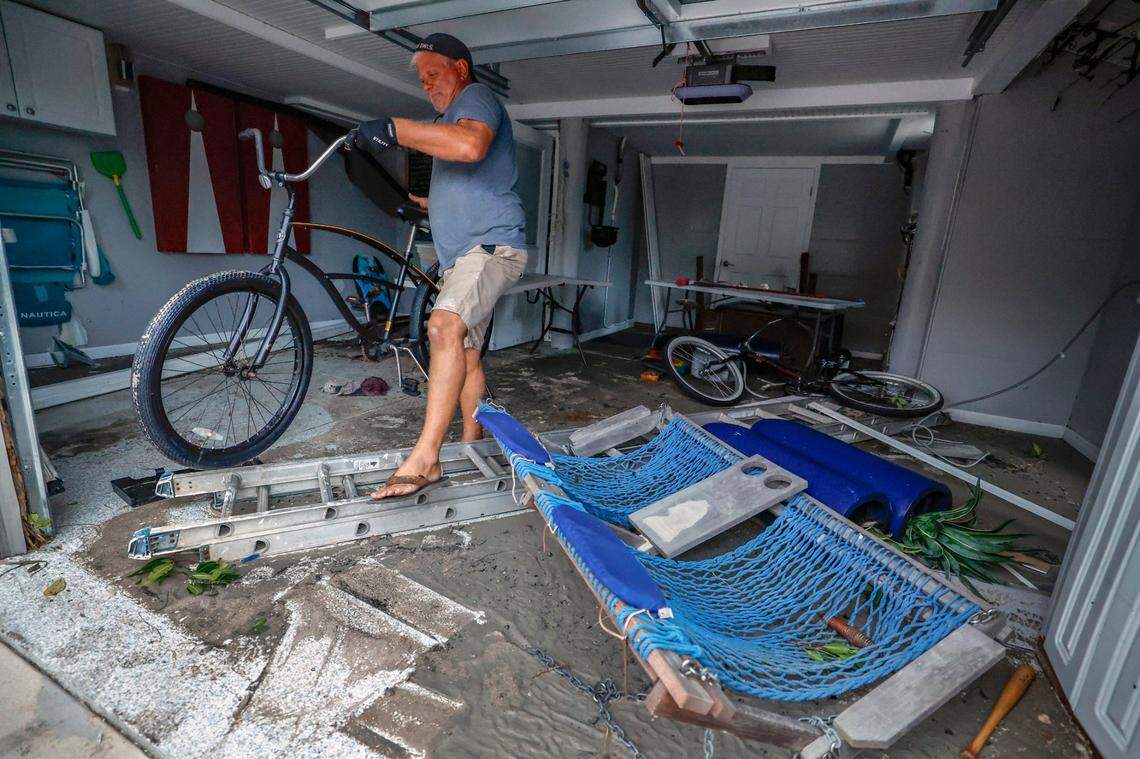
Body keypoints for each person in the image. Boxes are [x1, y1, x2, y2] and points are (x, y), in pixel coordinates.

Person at [350, 33, 527, 499]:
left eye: (434, 75)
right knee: (465, 353)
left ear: (460, 70)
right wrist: (423, 202)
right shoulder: (449, 120)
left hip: (489, 248)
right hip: (464, 256)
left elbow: (471, 147)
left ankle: (426, 458)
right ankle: (474, 444)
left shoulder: (477, 99)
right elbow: (461, 181)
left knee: (443, 326)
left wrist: (396, 129)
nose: (428, 86)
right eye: (423, 81)